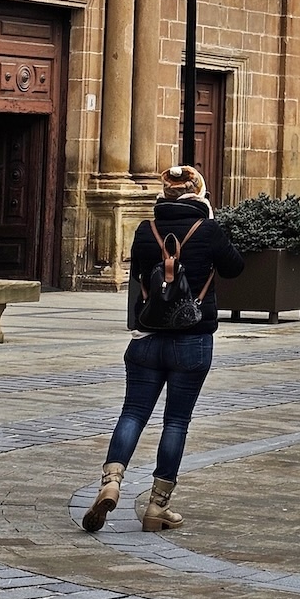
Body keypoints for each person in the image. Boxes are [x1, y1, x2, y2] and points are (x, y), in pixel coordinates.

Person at [81, 166, 244, 534]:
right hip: (192, 340)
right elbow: (235, 268)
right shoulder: (209, 230)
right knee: (176, 421)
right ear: (199, 194)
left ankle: (111, 480)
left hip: (146, 338)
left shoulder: (144, 230)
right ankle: (157, 506)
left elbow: (139, 274)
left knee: (133, 413)